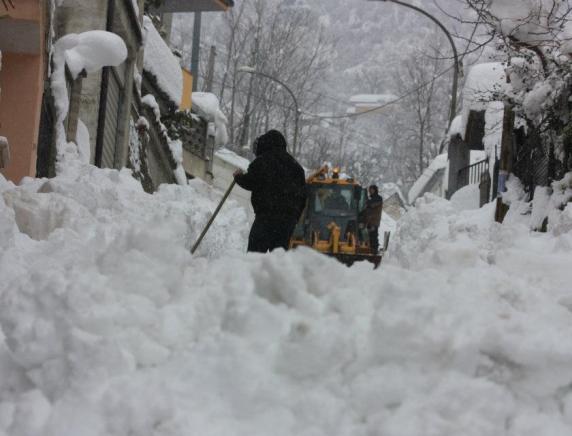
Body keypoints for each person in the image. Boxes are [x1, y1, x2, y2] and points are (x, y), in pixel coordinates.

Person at [233, 130, 306, 253]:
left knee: (254, 257)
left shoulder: (262, 161)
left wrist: (238, 177)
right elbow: (303, 197)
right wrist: (294, 218)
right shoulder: (297, 168)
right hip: (287, 222)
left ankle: (254, 273)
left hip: (266, 218)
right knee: (278, 261)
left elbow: (251, 182)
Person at [361, 185, 383, 253]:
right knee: (369, 236)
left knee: (373, 236)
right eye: (369, 190)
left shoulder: (378, 198)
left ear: (375, 190)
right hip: (369, 221)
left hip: (374, 221)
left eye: (371, 190)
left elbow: (372, 205)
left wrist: (367, 202)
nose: (370, 191)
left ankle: (374, 251)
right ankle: (370, 249)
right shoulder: (372, 199)